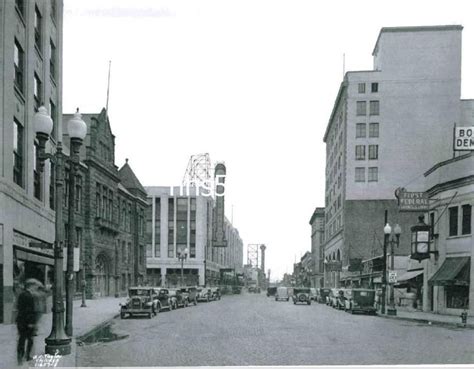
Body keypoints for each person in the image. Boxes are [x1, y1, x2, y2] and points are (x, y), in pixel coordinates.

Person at [16, 279, 39, 365]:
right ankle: (27, 356)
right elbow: (28, 310)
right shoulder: (28, 296)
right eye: (35, 286)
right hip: (27, 321)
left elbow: (19, 307)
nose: (36, 288)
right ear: (31, 286)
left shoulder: (22, 294)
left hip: (21, 320)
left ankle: (21, 357)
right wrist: (31, 322)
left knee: (22, 339)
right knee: (29, 339)